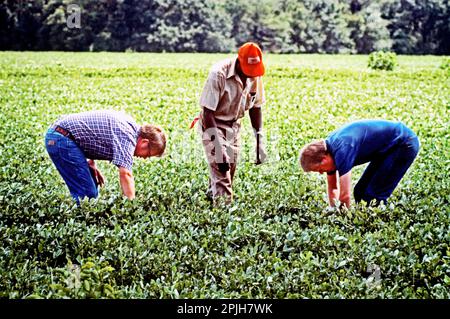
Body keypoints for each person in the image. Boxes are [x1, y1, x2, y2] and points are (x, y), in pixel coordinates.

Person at [193, 42, 267, 204]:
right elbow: (207, 112)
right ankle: (223, 216)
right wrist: (218, 148)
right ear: (239, 62)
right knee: (222, 169)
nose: (250, 75)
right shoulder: (218, 74)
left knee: (228, 170)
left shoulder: (255, 74)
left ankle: (211, 198)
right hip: (212, 124)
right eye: (248, 71)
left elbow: (256, 107)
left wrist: (259, 140)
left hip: (234, 126)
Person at [45, 110, 166, 203]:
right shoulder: (128, 136)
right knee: (88, 196)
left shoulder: (130, 126)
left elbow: (94, 134)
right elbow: (126, 174)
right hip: (61, 138)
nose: (145, 158)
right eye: (148, 155)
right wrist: (131, 206)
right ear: (144, 142)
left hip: (62, 136)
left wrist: (90, 163)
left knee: (92, 188)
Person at [299, 119, 419, 208]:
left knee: (372, 197)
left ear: (323, 159)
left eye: (319, 169)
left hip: (404, 143)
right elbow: (333, 188)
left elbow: (344, 195)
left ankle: (377, 231)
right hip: (387, 149)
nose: (321, 173)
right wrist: (334, 209)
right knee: (360, 192)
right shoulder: (329, 151)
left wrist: (343, 220)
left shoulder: (342, 149)